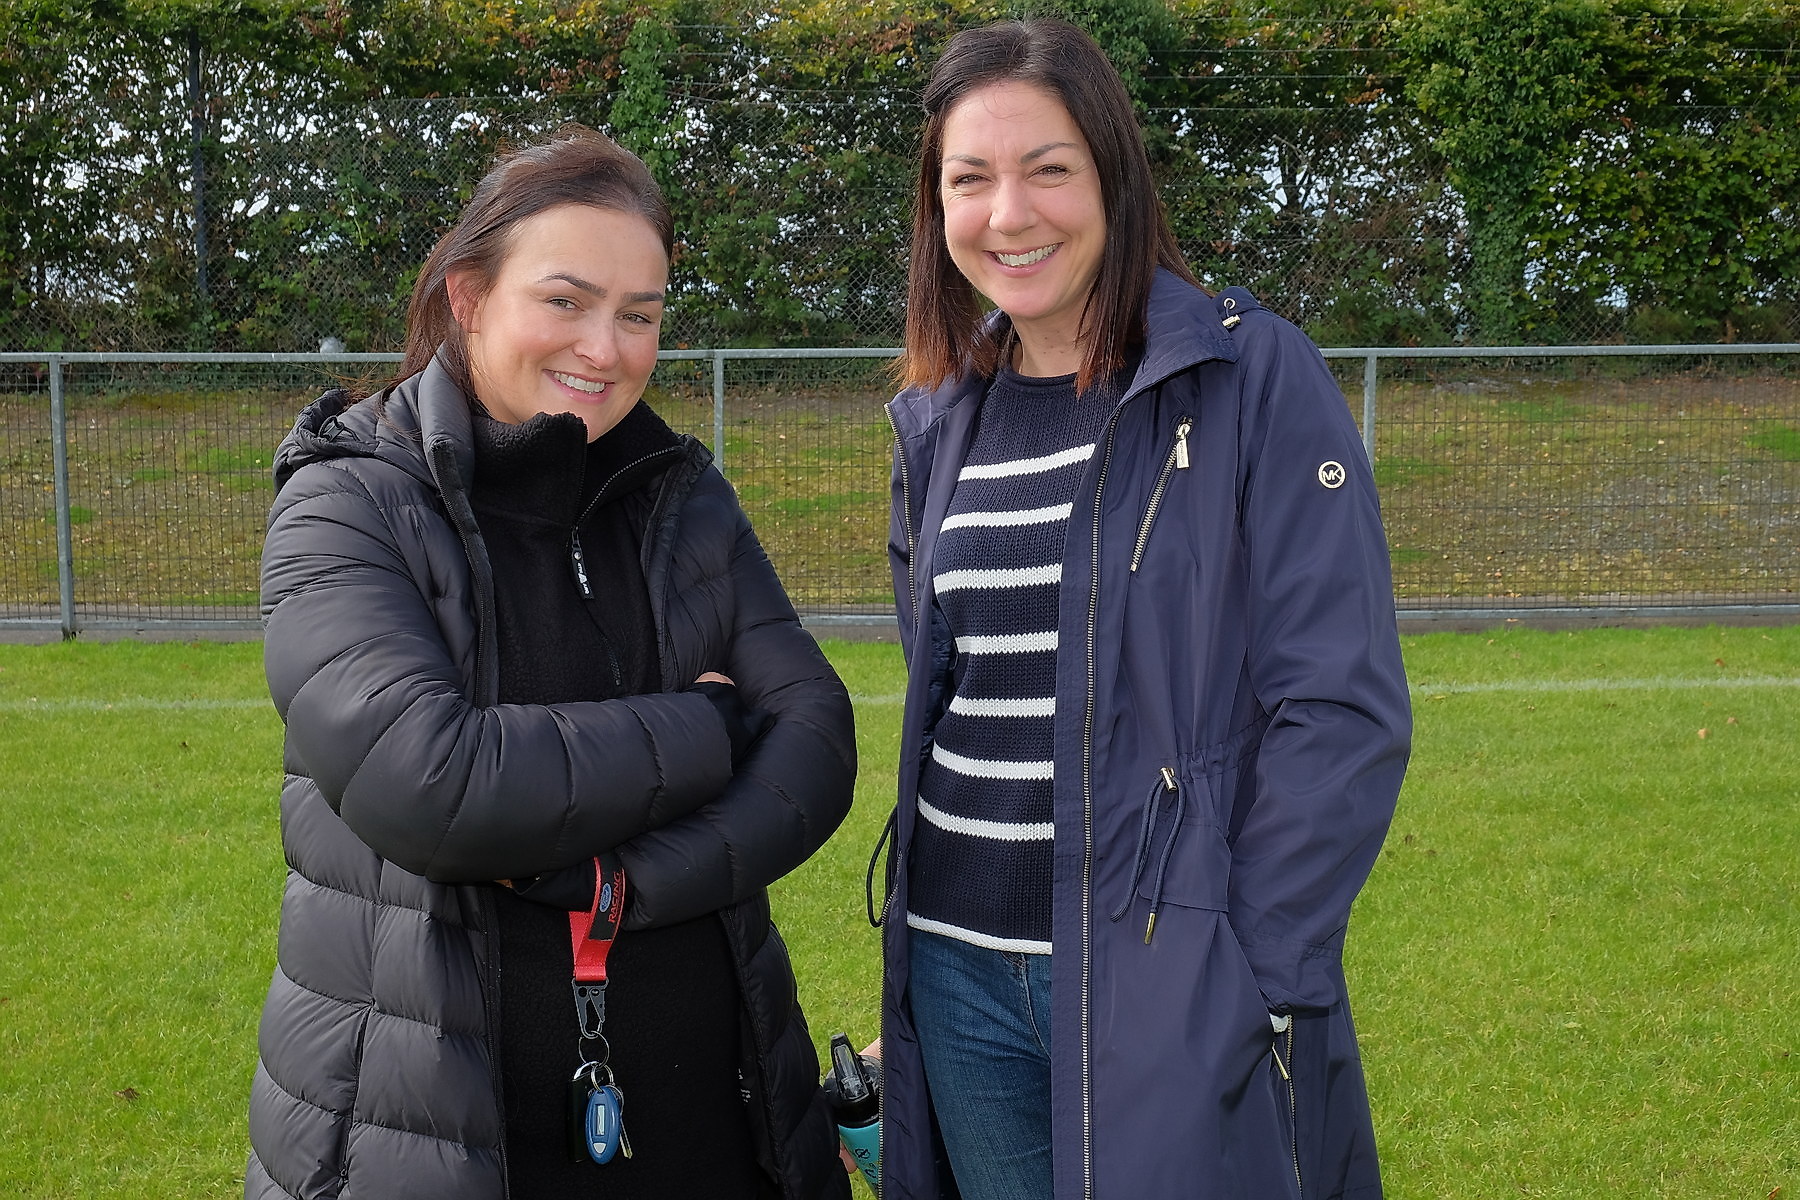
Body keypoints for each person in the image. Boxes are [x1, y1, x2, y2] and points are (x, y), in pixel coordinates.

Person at [246, 125, 856, 1200]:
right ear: (470, 296)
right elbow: (432, 781)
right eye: (566, 301)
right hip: (440, 1135)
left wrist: (615, 884)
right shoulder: (348, 499)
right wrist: (705, 728)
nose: (606, 348)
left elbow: (814, 743)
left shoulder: (682, 497)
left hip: (717, 1118)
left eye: (640, 315)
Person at [873, 18, 1412, 1200]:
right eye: (971, 179)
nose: (1009, 213)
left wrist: (1249, 968)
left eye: (1047, 168)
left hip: (1159, 973)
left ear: (1113, 173)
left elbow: (1342, 709)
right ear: (938, 208)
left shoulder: (1251, 378)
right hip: (958, 971)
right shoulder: (942, 425)